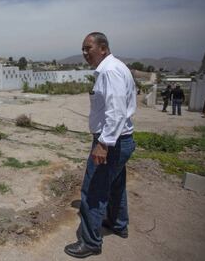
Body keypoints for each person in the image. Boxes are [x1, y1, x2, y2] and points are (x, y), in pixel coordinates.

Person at [64, 32, 136, 258]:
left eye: (89, 48)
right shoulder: (115, 67)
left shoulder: (110, 71)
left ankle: (90, 243)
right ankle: (117, 224)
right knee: (115, 186)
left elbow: (116, 111)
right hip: (120, 140)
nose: (85, 53)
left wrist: (103, 143)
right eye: (83, 49)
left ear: (103, 48)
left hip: (111, 142)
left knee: (93, 191)